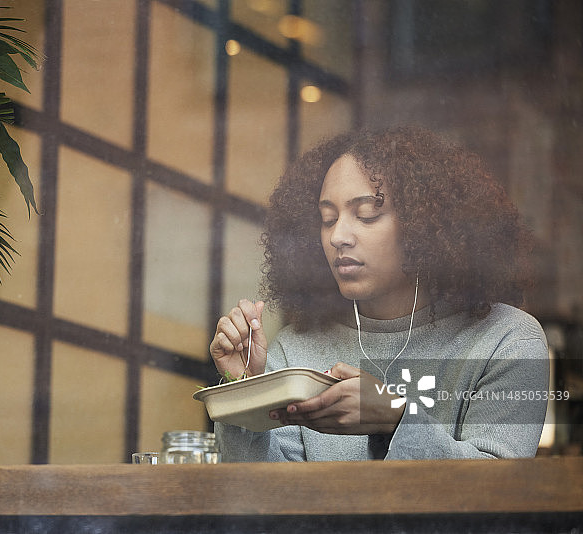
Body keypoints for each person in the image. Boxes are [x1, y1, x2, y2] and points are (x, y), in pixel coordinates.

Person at [209, 126, 549, 461]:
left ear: (425, 226)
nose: (337, 236)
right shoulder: (295, 349)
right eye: (327, 218)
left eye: (367, 215)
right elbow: (266, 501)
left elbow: (500, 493)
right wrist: (244, 392)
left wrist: (395, 417)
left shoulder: (507, 340)